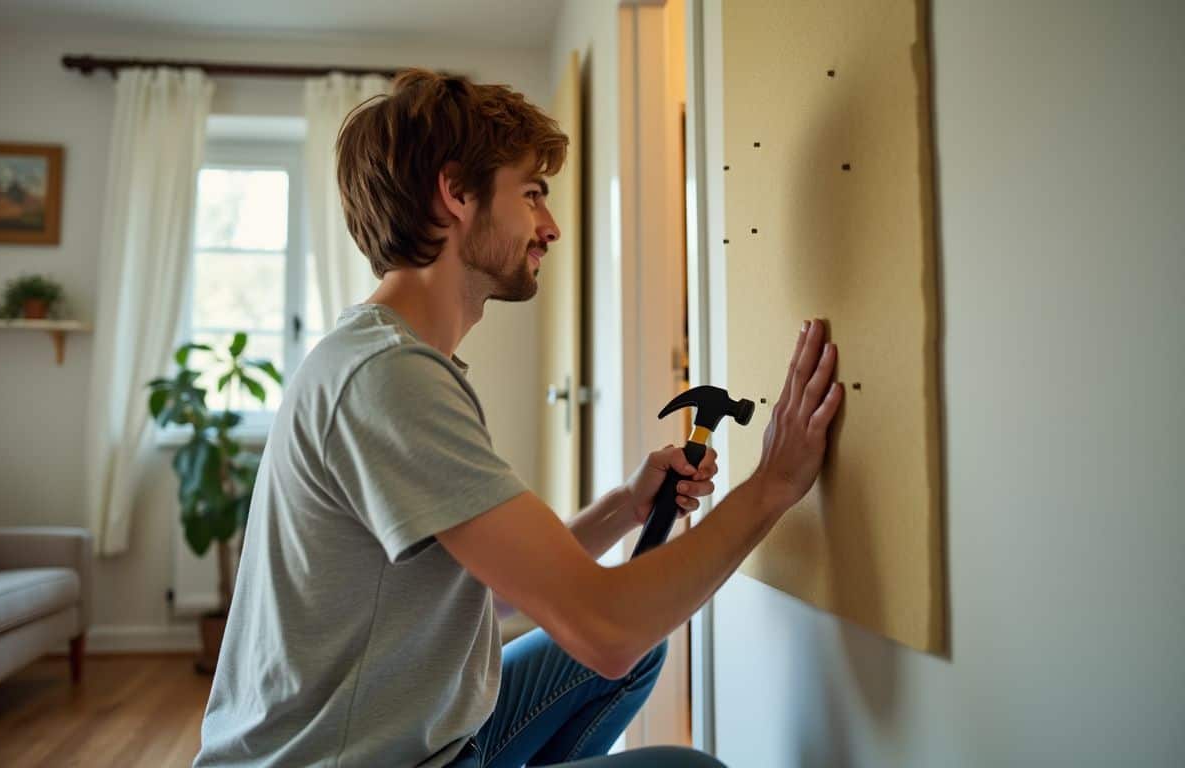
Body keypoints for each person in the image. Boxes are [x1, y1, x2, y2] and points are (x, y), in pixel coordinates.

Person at [193, 70, 842, 768]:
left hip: (420, 735)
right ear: (456, 194)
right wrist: (772, 484)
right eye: (532, 194)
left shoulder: (389, 359)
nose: (551, 227)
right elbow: (606, 627)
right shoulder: (391, 377)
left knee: (634, 652)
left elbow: (495, 584)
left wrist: (626, 508)